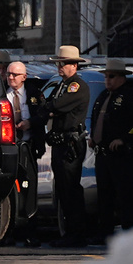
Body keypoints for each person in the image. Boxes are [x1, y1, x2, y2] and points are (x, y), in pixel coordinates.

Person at [89, 59, 133, 243]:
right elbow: (96, 119)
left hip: (122, 155)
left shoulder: (131, 97)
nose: (108, 80)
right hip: (103, 154)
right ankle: (104, 232)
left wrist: (123, 138)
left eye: (111, 76)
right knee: (104, 195)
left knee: (125, 194)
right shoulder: (103, 96)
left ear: (122, 77)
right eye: (106, 76)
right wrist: (93, 137)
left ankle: (131, 232)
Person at [44, 45, 89, 248]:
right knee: (63, 190)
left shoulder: (76, 86)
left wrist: (50, 109)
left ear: (74, 65)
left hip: (71, 144)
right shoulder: (63, 85)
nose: (59, 67)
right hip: (60, 143)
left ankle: (77, 233)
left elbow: (57, 105)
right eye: (58, 63)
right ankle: (69, 232)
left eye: (62, 63)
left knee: (71, 189)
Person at [5, 60, 45, 247]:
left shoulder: (33, 94)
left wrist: (31, 123)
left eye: (15, 75)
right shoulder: (2, 96)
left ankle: (31, 232)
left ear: (24, 77)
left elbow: (44, 114)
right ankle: (8, 232)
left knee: (29, 190)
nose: (11, 78)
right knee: (8, 190)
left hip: (28, 147)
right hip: (9, 149)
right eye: (9, 74)